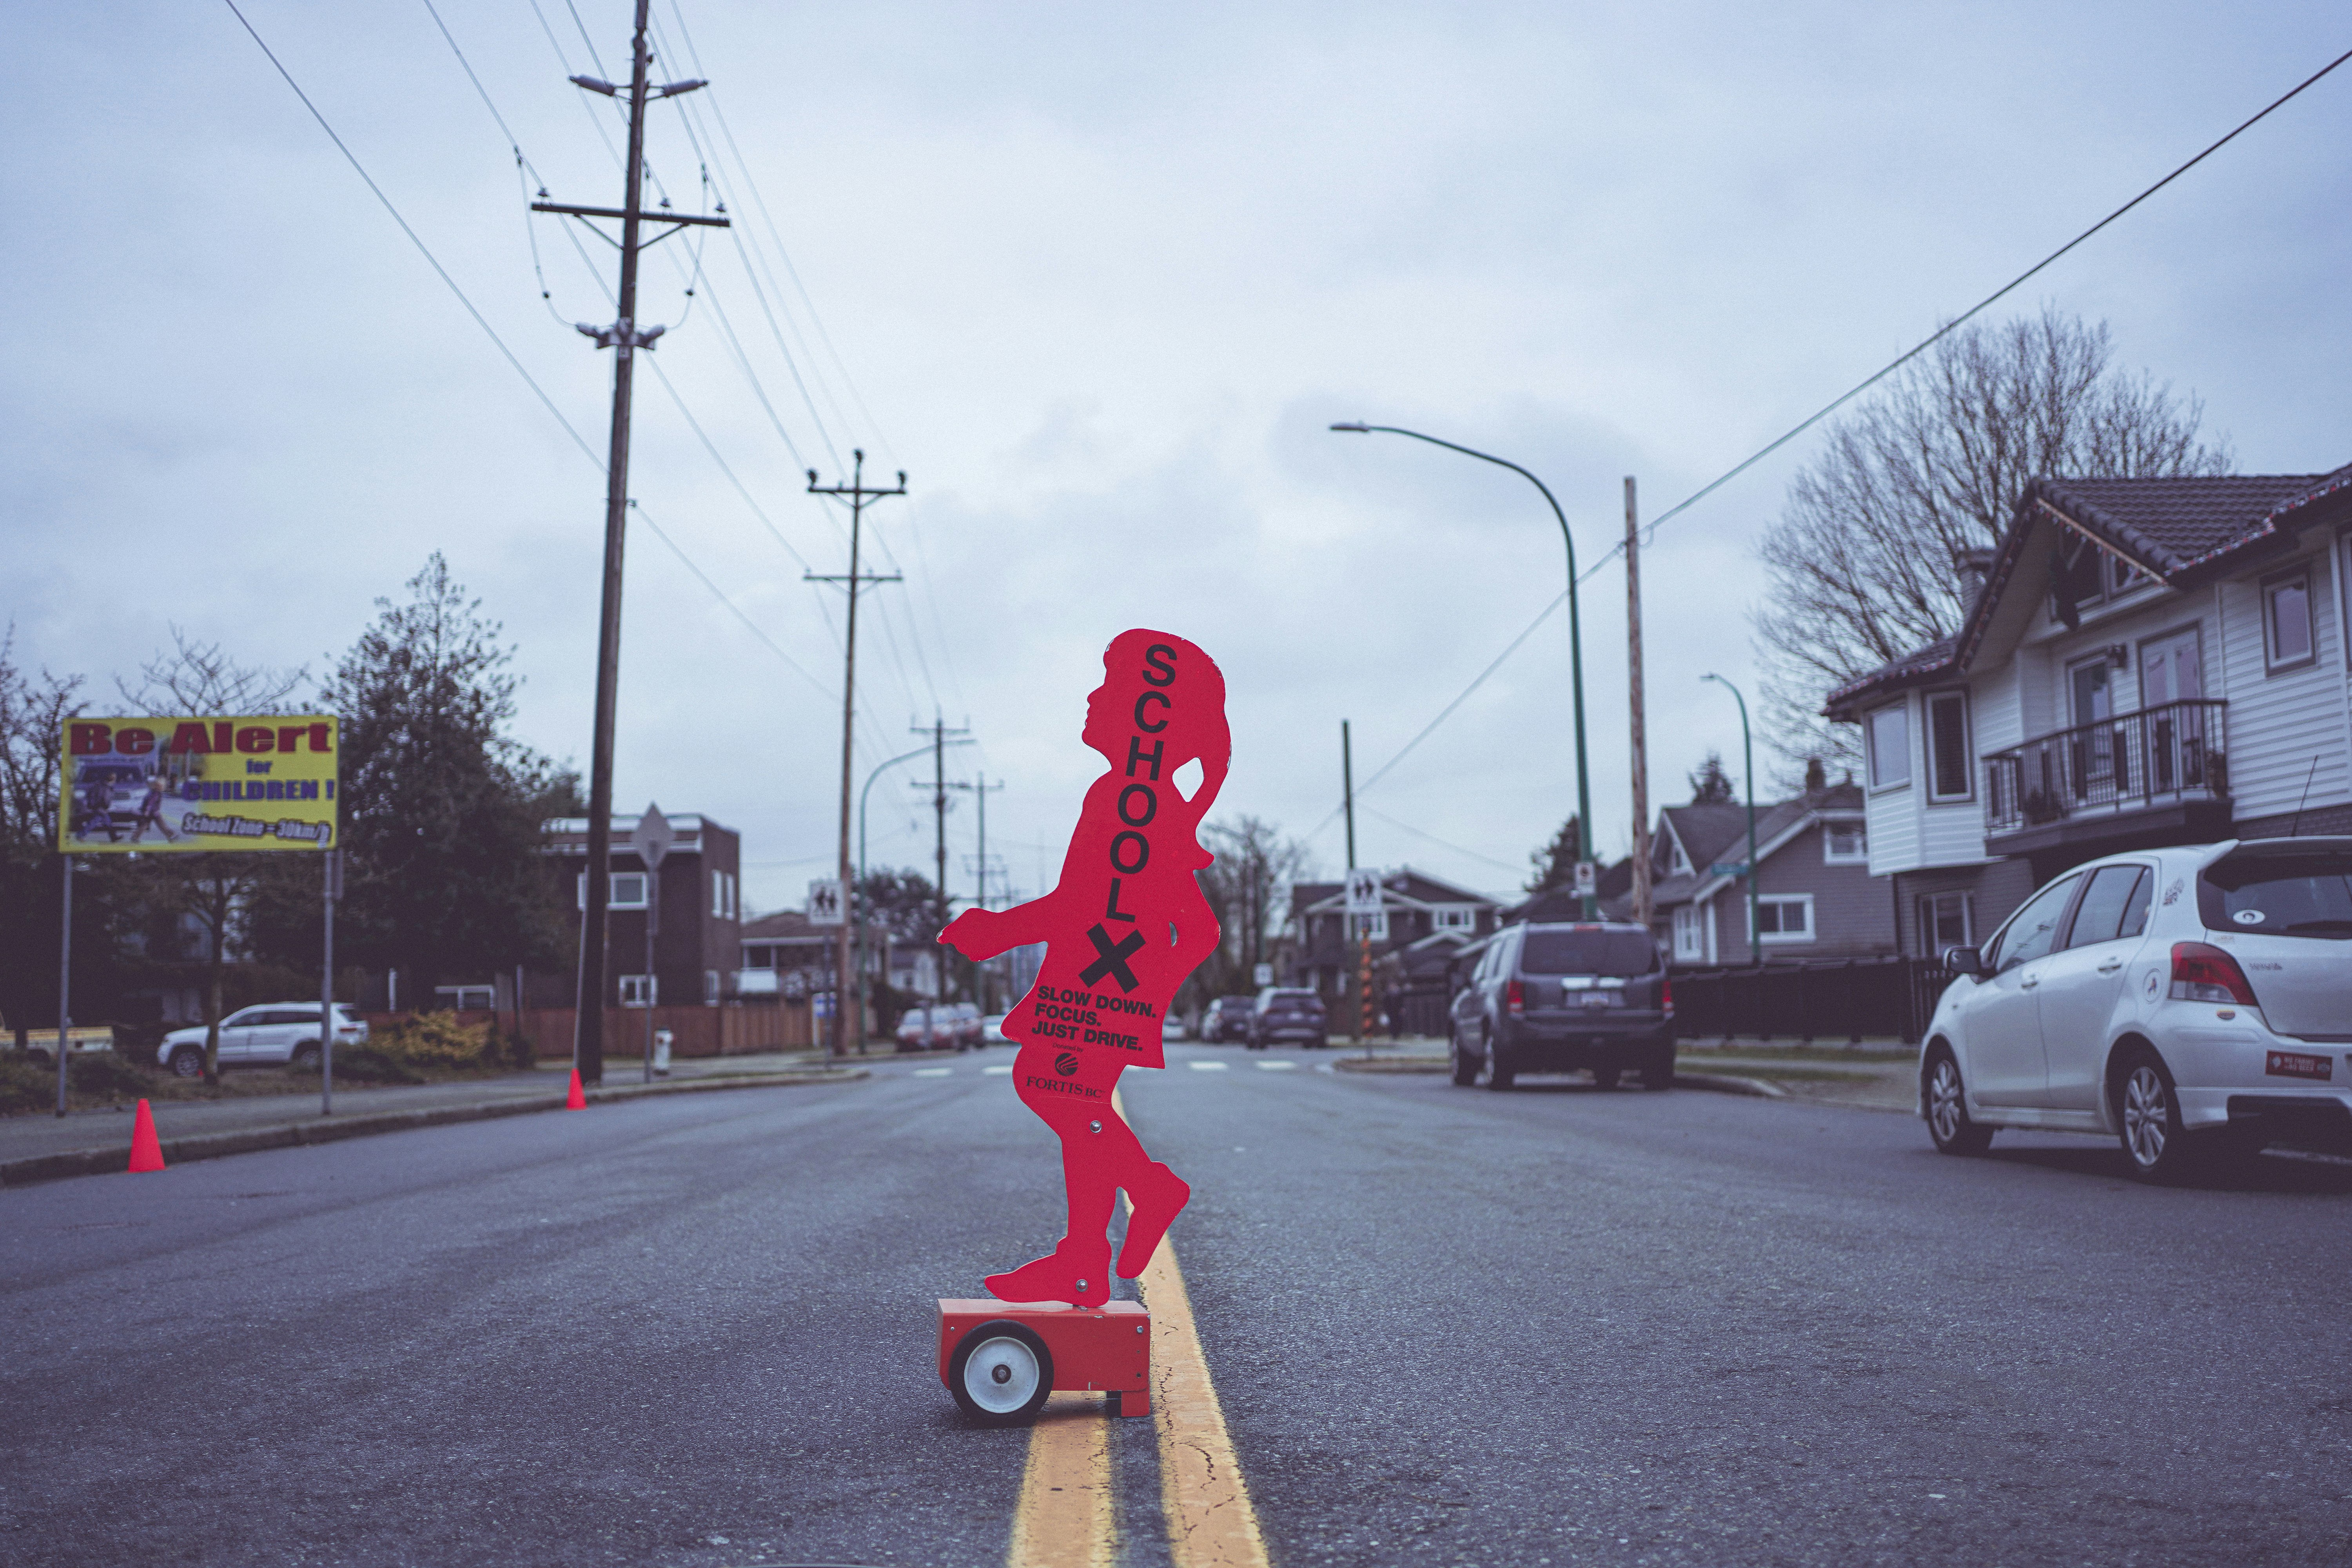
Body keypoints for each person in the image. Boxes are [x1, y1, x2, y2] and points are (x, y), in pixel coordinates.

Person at [940, 629, 1229, 1308]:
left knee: (1049, 1085)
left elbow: (1083, 907)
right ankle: (1084, 1262)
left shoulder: (1130, 799)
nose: (1093, 698)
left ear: (1146, 716)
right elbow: (1197, 925)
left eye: (1109, 687)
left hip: (1100, 984)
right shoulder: (1135, 797)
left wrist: (998, 933)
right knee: (1077, 1100)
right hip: (1102, 982)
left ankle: (1142, 1199)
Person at [129, 773, 179, 844]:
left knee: (145, 826)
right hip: (153, 813)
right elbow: (151, 803)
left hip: (152, 812)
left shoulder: (153, 792)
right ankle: (171, 836)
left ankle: (135, 837)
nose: (161, 787)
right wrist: (147, 811)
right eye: (160, 785)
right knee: (161, 825)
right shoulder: (156, 793)